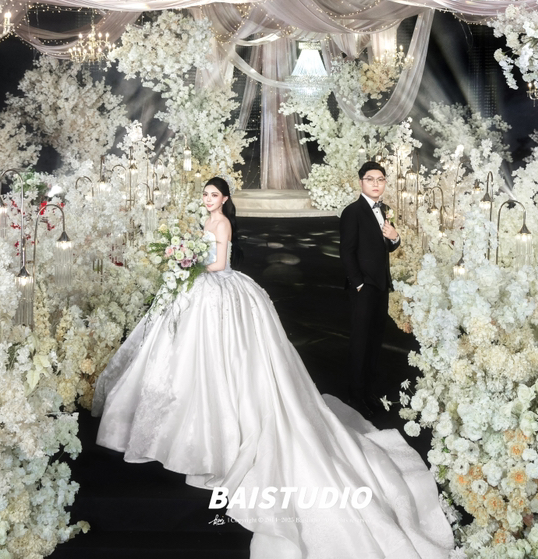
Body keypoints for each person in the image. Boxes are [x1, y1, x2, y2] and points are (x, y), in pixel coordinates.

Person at [93, 177, 452, 559]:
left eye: (214, 195)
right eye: (205, 194)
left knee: (230, 354)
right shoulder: (207, 220)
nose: (208, 199)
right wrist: (186, 262)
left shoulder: (222, 223)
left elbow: (219, 263)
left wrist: (188, 262)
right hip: (204, 288)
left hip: (218, 286)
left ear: (225, 198)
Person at [339, 162, 399, 419]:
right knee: (360, 342)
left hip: (381, 285)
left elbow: (387, 246)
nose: (376, 184)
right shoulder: (352, 212)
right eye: (370, 179)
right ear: (361, 182)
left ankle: (368, 392)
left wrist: (394, 237)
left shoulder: (385, 209)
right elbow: (347, 251)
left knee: (375, 341)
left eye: (380, 179)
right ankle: (355, 395)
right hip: (363, 287)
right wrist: (358, 283)